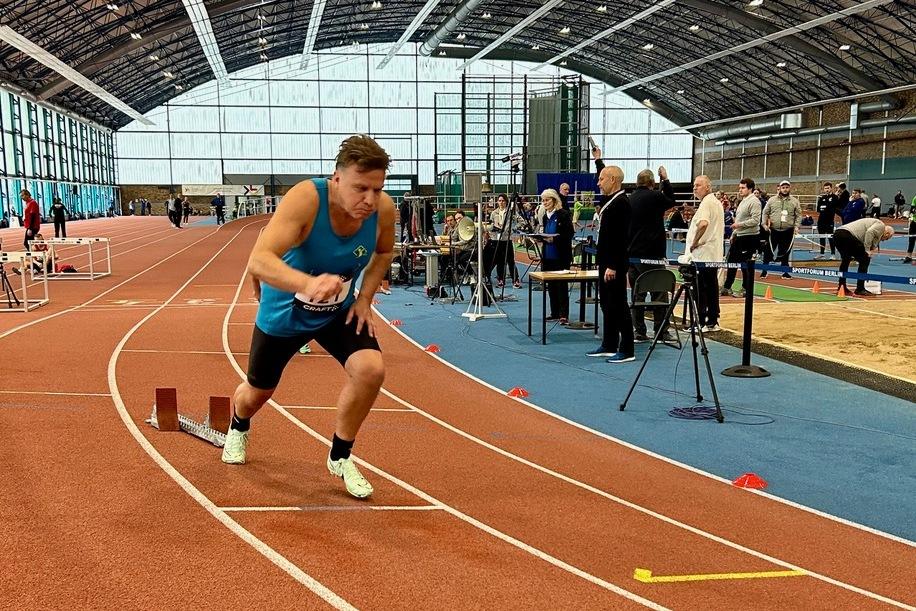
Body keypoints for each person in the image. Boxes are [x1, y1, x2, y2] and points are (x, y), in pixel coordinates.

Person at [221, 135, 395, 499]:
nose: (369, 199)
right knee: (258, 392)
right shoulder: (306, 199)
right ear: (336, 179)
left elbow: (382, 253)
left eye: (376, 189)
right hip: (286, 311)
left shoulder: (383, 210)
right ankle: (238, 426)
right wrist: (308, 283)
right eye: (360, 188)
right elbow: (259, 260)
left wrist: (364, 298)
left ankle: (340, 455)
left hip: (338, 310)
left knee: (371, 369)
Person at [618, 159, 675, 343]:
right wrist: (665, 180)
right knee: (659, 293)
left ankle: (639, 331)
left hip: (632, 255)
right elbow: (672, 201)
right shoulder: (655, 196)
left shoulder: (629, 199)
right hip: (652, 255)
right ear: (652, 183)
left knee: (637, 294)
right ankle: (661, 331)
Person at [588, 163, 634, 363]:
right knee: (607, 304)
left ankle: (627, 349)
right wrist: (599, 161)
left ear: (613, 180)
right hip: (605, 260)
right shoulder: (611, 201)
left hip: (613, 263)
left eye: (601, 179)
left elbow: (621, 238)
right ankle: (609, 343)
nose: (598, 183)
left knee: (618, 304)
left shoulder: (621, 203)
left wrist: (613, 265)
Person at [684, 176, 724, 332]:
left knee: (700, 289)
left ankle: (700, 322)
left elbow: (703, 223)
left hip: (703, 255)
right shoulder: (716, 203)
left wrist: (694, 242)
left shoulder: (706, 203)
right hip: (713, 255)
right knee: (712, 287)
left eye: (698, 185)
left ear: (708, 187)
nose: (694, 188)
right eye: (694, 185)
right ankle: (712, 320)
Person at [833, 218, 894, 296]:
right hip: (847, 235)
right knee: (865, 259)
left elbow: (870, 238)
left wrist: (870, 249)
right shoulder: (881, 226)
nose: (884, 240)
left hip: (838, 234)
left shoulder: (875, 226)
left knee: (846, 259)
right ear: (887, 233)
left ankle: (842, 287)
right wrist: (867, 250)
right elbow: (869, 232)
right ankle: (860, 288)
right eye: (887, 238)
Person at [721, 178, 761, 298]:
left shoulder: (755, 202)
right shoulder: (742, 201)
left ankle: (746, 289)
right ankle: (727, 287)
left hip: (749, 237)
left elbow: (755, 220)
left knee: (745, 264)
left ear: (750, 188)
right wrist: (734, 234)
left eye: (743, 188)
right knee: (731, 262)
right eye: (739, 188)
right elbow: (739, 219)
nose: (740, 190)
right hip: (739, 236)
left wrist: (739, 225)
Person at [538, 188, 573, 324]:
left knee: (561, 286)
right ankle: (554, 312)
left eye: (547, 200)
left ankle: (563, 314)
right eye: (543, 200)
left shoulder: (563, 215)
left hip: (561, 256)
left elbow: (569, 234)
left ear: (554, 200)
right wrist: (540, 238)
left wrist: (554, 240)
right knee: (551, 286)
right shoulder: (544, 217)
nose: (544, 202)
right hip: (547, 256)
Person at [761, 180, 801, 278]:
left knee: (785, 252)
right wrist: (764, 224)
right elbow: (765, 212)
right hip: (773, 230)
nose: (785, 189)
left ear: (789, 188)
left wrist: (796, 226)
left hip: (788, 231)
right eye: (783, 187)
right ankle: (764, 270)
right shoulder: (772, 200)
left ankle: (785, 272)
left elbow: (799, 215)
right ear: (779, 188)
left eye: (787, 187)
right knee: (768, 251)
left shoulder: (794, 201)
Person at [815, 182, 840, 260]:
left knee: (830, 237)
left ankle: (833, 254)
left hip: (829, 221)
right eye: (825, 188)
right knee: (821, 237)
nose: (827, 190)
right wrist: (825, 207)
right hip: (821, 221)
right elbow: (819, 209)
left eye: (828, 188)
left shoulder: (835, 197)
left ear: (831, 188)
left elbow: (832, 207)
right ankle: (822, 253)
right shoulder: (821, 198)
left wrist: (826, 207)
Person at [904, 195, 915, 264]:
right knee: (911, 239)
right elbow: (912, 210)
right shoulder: (915, 198)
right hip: (914, 222)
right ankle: (908, 256)